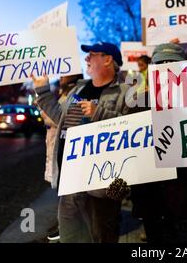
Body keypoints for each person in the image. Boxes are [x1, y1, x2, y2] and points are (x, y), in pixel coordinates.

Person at [32, 42, 130, 243]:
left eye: (91, 55)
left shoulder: (125, 92)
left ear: (107, 59)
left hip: (102, 185)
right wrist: (42, 90)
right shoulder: (80, 88)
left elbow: (131, 129)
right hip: (71, 180)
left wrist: (99, 113)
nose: (86, 59)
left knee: (101, 236)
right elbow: (61, 118)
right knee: (71, 236)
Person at [130, 41, 187, 243]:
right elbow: (132, 155)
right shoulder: (139, 106)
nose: (166, 69)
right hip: (154, 206)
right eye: (160, 64)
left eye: (172, 64)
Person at [38, 73, 83, 242]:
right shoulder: (64, 91)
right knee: (62, 189)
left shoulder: (75, 92)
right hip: (54, 139)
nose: (61, 77)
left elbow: (60, 116)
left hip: (62, 140)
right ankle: (65, 224)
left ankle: (67, 226)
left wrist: (43, 101)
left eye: (64, 75)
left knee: (66, 189)